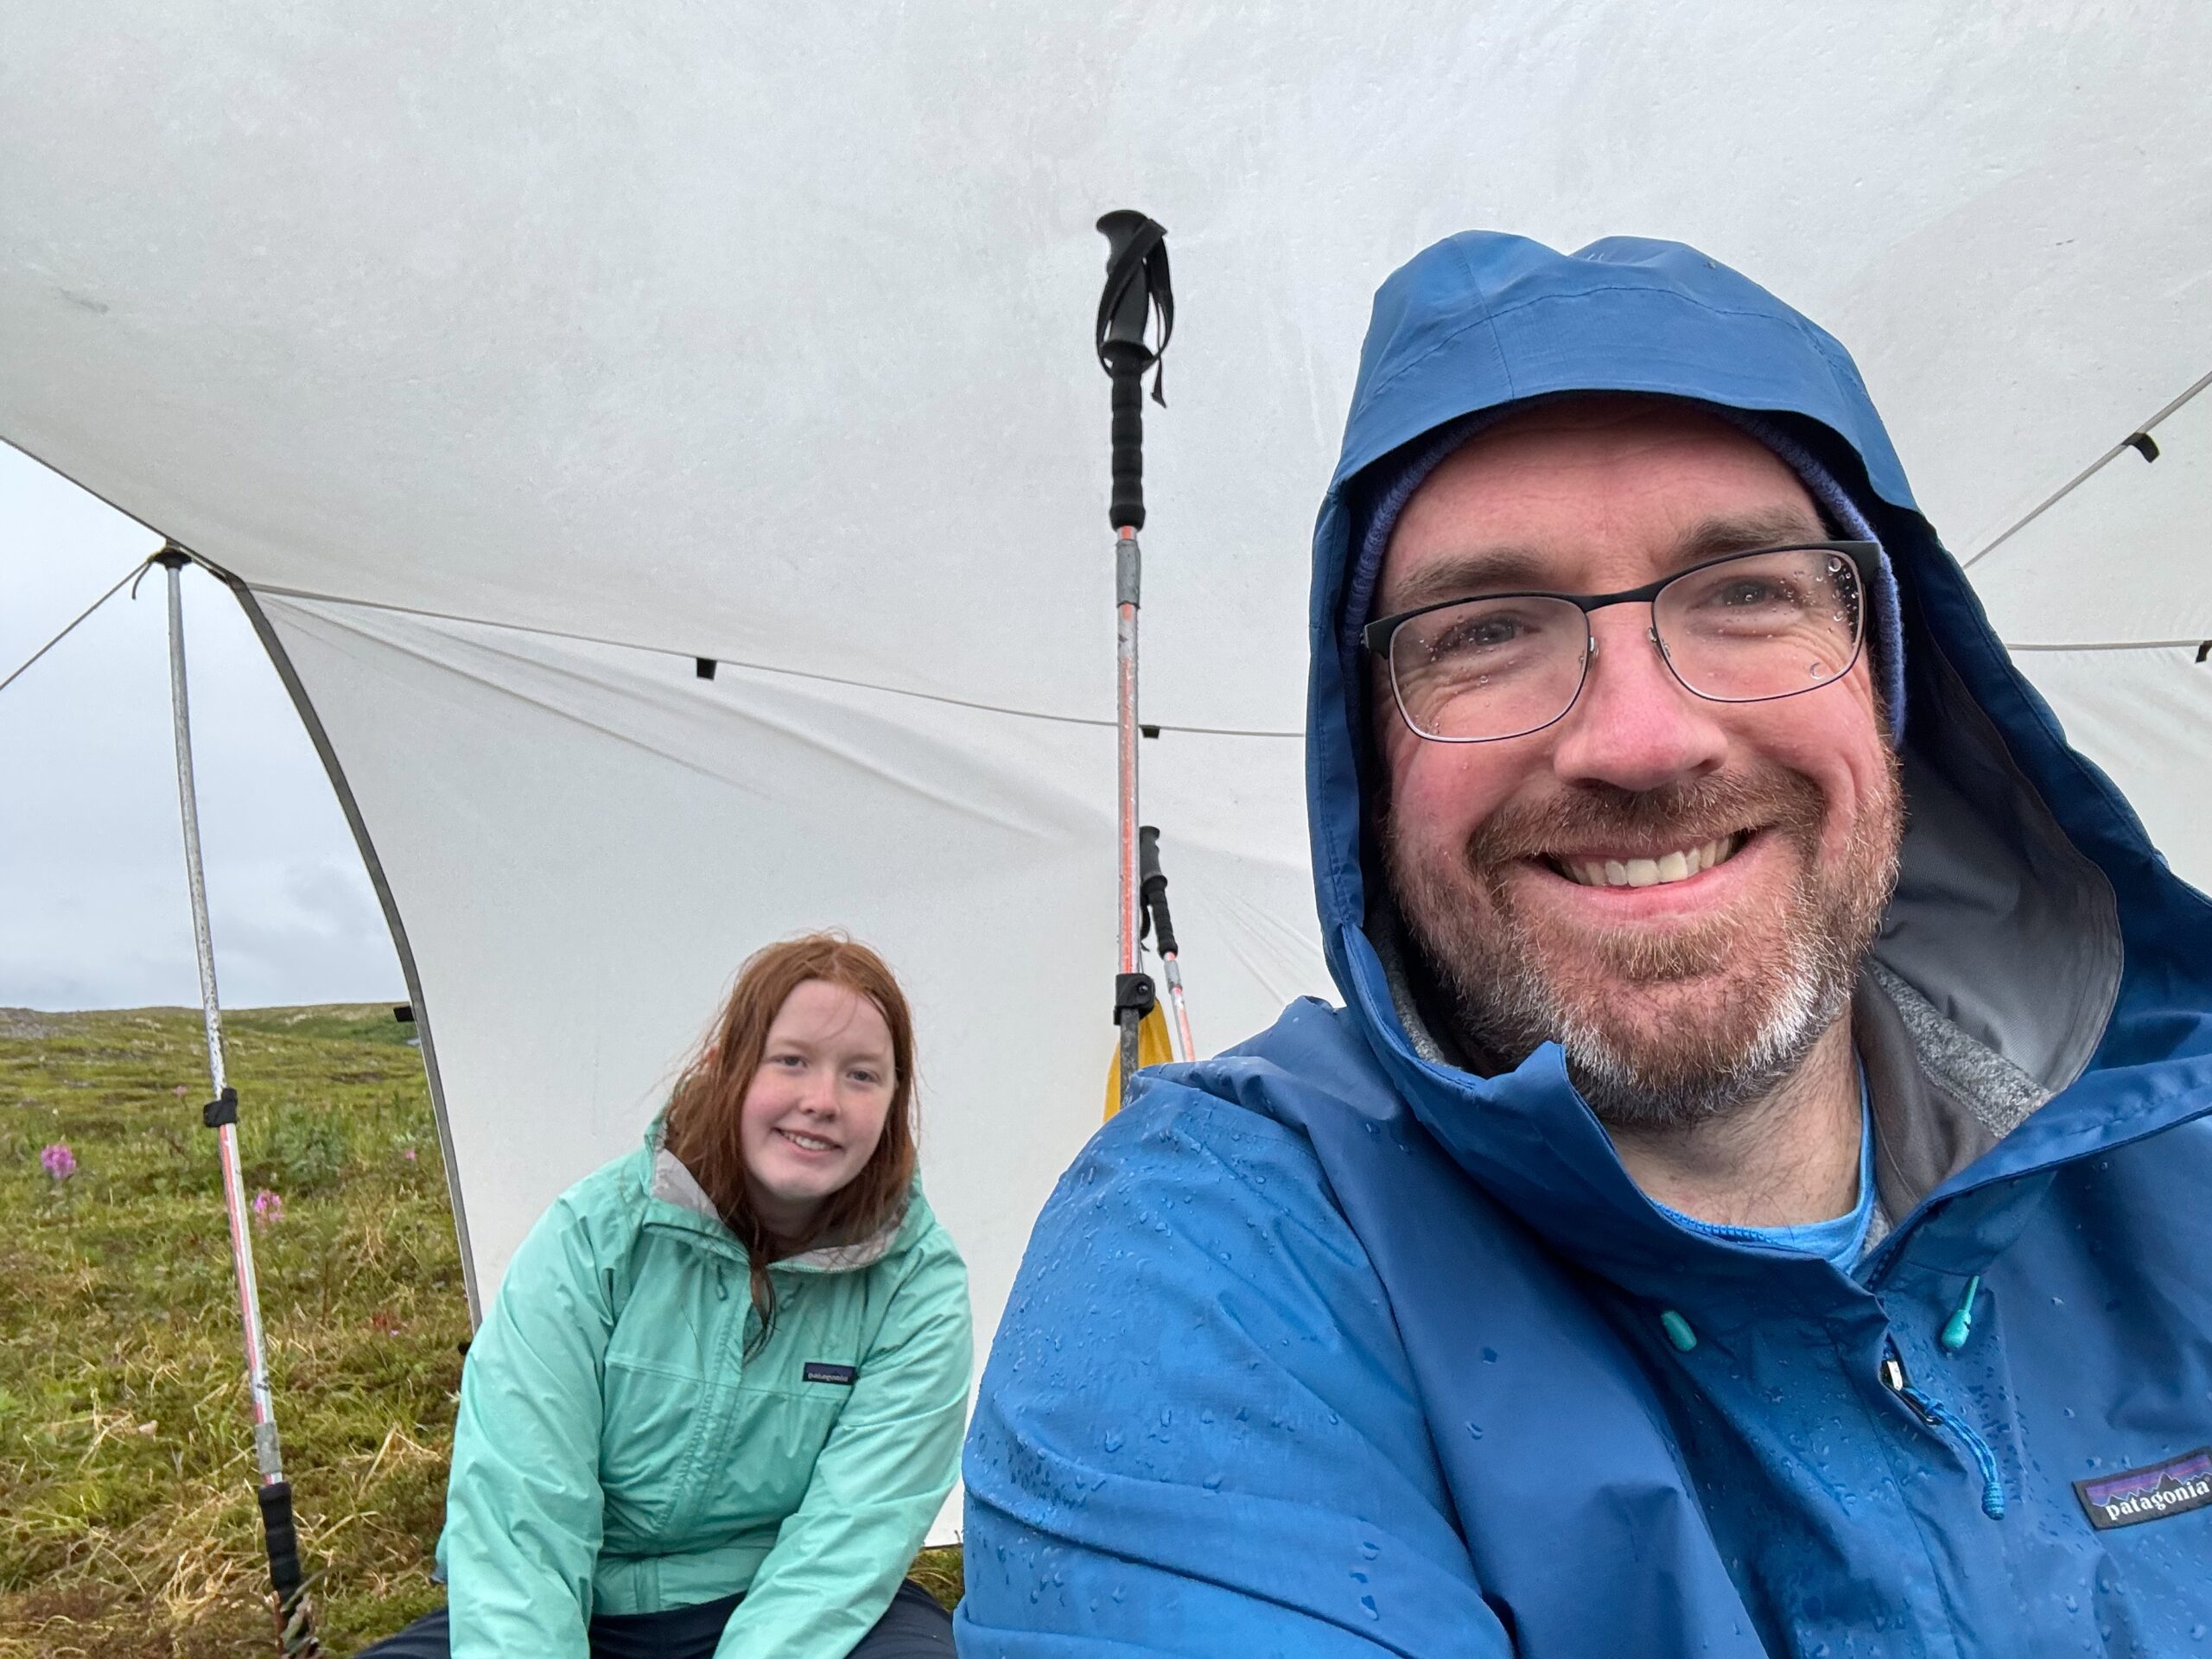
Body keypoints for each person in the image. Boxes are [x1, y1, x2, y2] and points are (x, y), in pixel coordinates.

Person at [959, 234, 2212, 1656]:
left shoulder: (2177, 1159)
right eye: (1487, 630)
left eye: (1749, 591)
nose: (1640, 738)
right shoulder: (1216, 1259)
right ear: (1369, 765)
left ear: (1894, 683)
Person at [365, 932, 971, 1659]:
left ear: (894, 1101)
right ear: (727, 1069)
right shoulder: (591, 1238)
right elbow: (522, 1507)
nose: (822, 1101)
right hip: (584, 1600)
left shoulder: (918, 1287)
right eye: (792, 1061)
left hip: (787, 1602)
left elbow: (851, 1539)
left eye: (862, 1075)